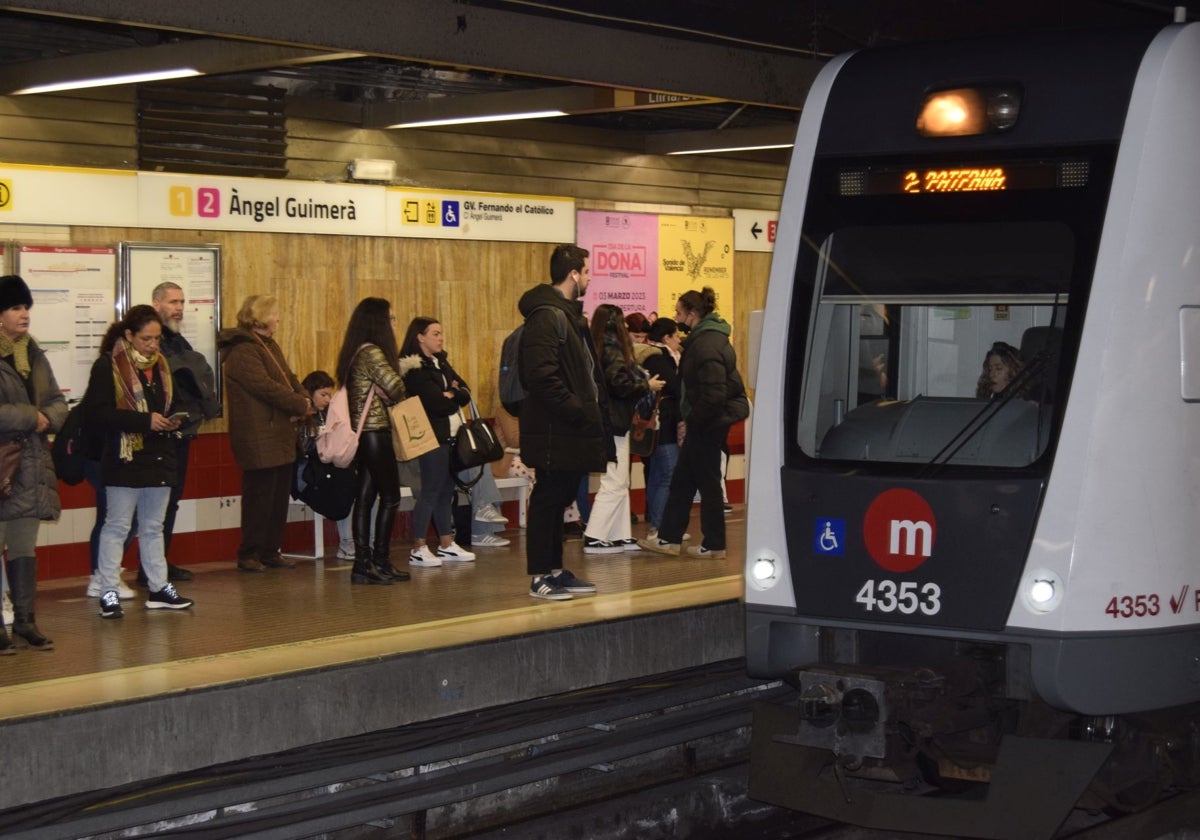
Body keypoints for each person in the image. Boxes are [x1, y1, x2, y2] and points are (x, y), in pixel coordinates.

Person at [88, 305, 194, 619]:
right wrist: (145, 421)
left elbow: (173, 404)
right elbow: (98, 415)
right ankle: (108, 589)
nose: (153, 345)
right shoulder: (108, 366)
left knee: (152, 527)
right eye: (146, 339)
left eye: (157, 338)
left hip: (159, 456)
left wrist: (174, 420)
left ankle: (159, 588)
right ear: (129, 335)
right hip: (125, 457)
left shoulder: (161, 365)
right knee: (117, 526)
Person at [518, 244, 612, 600]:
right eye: (586, 272)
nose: (588, 279)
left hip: (571, 429)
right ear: (573, 273)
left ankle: (556, 570)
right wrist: (577, 410)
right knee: (547, 498)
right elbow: (541, 376)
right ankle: (539, 576)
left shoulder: (568, 316)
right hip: (556, 429)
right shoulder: (547, 316)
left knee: (560, 499)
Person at [639, 287, 748, 560]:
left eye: (679, 312)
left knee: (706, 483)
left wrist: (693, 422)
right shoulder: (707, 339)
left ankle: (713, 544)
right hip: (706, 419)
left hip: (707, 421)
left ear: (692, 313)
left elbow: (713, 392)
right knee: (683, 480)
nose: (676, 318)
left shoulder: (707, 342)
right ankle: (670, 539)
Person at [217, 294, 312, 574]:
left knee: (278, 496)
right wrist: (299, 403)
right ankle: (250, 553)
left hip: (278, 433)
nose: (278, 320)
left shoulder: (267, 345)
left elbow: (288, 377)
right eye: (275, 314)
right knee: (260, 496)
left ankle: (271, 550)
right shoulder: (243, 350)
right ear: (261, 317)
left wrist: (303, 396)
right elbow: (265, 386)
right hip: (258, 435)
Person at [0, 275, 66, 649]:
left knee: (24, 545)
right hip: (2, 465)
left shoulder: (32, 351)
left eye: (26, 307)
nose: (24, 314)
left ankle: (25, 620)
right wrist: (31, 417)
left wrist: (48, 418)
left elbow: (56, 400)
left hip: (31, 465)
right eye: (15, 308)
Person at [337, 297, 409, 584]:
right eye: (391, 319)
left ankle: (363, 564)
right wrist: (388, 389)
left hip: (363, 434)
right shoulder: (373, 353)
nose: (394, 324)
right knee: (390, 497)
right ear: (379, 322)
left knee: (365, 498)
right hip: (375, 432)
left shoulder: (355, 351)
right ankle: (379, 559)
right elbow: (397, 387)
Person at [582, 304, 663, 553]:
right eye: (624, 324)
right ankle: (594, 535)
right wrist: (646, 385)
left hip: (604, 420)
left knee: (620, 479)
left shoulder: (594, 346)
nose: (628, 329)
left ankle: (619, 533)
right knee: (615, 481)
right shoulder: (613, 347)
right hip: (615, 421)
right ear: (617, 324)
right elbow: (620, 384)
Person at [399, 317, 476, 567]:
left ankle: (446, 543)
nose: (441, 338)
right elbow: (435, 403)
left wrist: (452, 392)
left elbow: (465, 390)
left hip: (449, 434)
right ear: (420, 337)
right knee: (430, 489)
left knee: (446, 490)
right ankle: (418, 546)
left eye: (441, 333)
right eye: (435, 333)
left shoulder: (440, 362)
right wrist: (451, 395)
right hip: (429, 435)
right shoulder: (414, 368)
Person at [298, 370, 355, 560]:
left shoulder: (328, 414)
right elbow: (302, 449)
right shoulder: (301, 417)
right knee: (340, 483)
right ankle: (347, 542)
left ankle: (359, 541)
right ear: (310, 393)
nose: (328, 400)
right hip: (305, 471)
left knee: (354, 478)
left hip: (326, 467)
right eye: (323, 395)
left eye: (330, 395)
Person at [642, 317, 683, 539]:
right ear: (666, 337)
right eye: (676, 335)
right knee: (668, 473)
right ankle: (660, 527)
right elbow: (675, 387)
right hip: (663, 423)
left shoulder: (652, 356)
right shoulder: (659, 359)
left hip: (657, 424)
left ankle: (658, 525)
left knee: (658, 475)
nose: (679, 340)